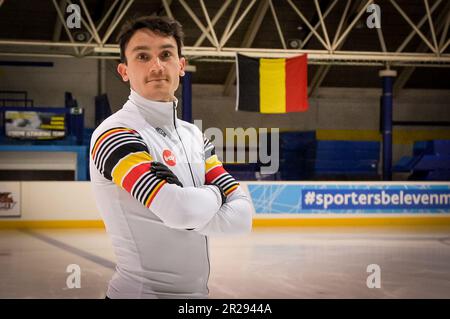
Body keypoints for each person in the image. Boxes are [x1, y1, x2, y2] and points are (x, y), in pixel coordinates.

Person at [89, 16, 253, 299]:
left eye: (166, 54)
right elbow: (180, 211)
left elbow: (242, 218)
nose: (156, 66)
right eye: (142, 56)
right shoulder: (115, 133)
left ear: (181, 66)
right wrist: (215, 193)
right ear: (124, 70)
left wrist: (190, 202)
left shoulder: (195, 137)